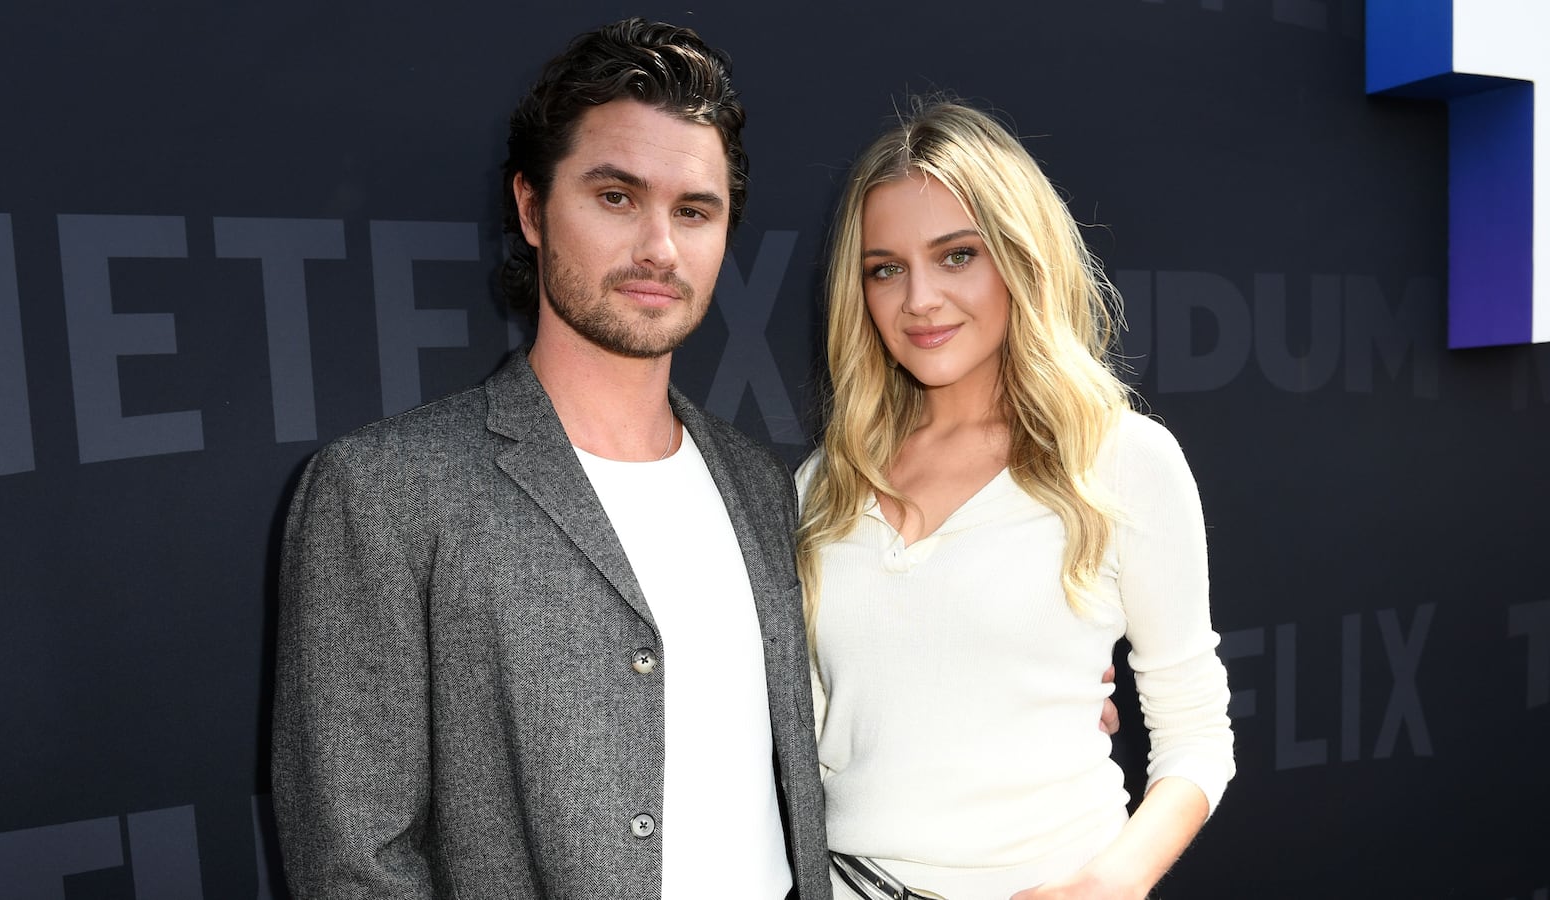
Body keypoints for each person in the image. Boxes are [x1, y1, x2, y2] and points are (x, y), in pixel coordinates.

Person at [270, 18, 829, 899]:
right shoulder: (383, 492)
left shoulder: (762, 486)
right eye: (615, 197)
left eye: (693, 211)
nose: (659, 248)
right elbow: (354, 864)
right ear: (531, 209)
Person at [796, 99, 1235, 900]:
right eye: (885, 268)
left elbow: (1197, 733)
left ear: (1021, 258)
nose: (919, 298)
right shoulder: (826, 482)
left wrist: (1110, 885)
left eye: (956, 256)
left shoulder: (1120, 462)